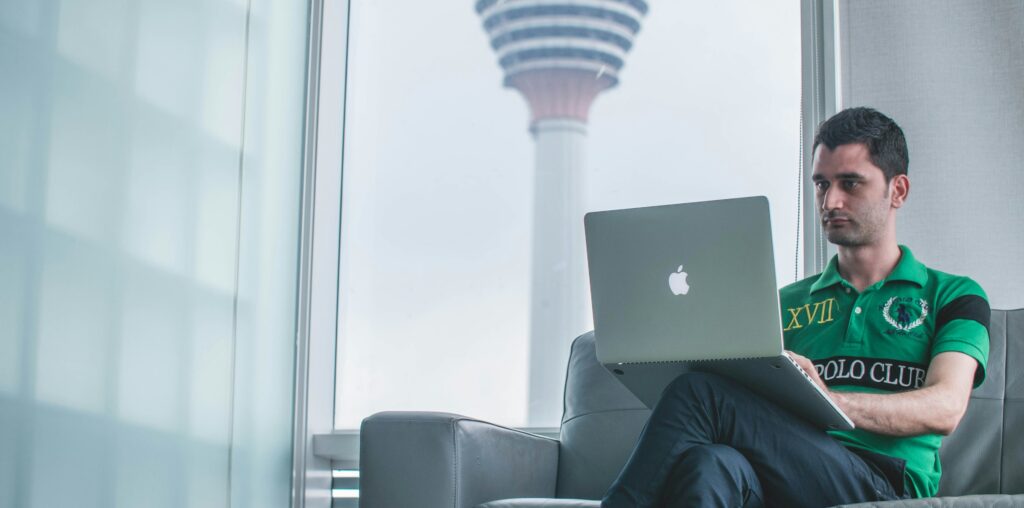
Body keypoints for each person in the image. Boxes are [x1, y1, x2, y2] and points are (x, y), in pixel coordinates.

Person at [601, 107, 991, 507]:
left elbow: (946, 406)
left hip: (884, 485)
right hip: (782, 475)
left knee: (699, 394)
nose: (831, 200)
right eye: (822, 184)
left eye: (851, 183)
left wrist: (831, 400)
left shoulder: (953, 295)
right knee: (709, 463)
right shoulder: (782, 304)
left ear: (898, 190)